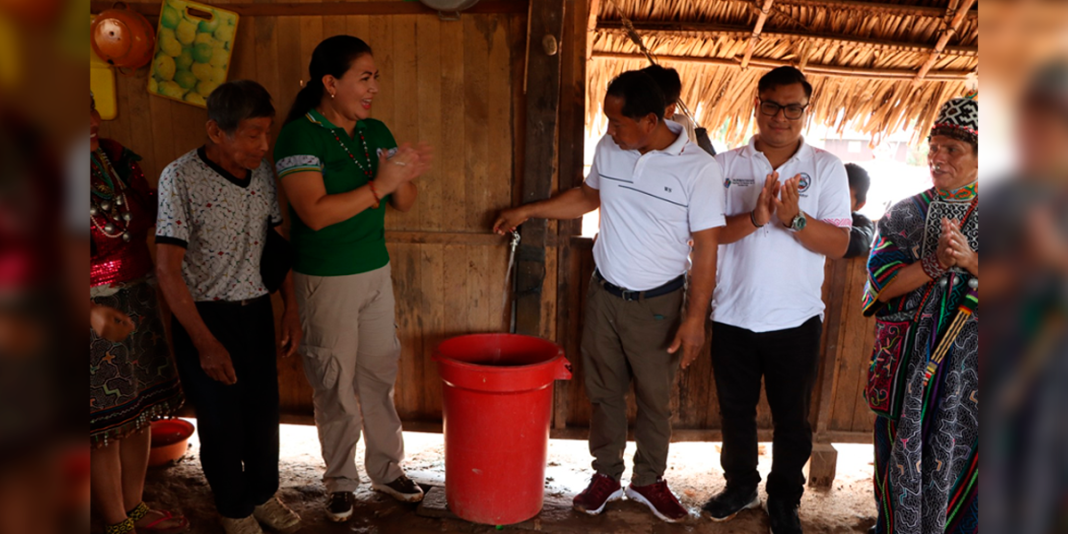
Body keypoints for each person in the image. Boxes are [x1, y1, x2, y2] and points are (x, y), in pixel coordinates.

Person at [495, 70, 726, 523]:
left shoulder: (699, 169)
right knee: (604, 393)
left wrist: (694, 319)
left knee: (656, 398)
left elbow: (707, 249)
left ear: (651, 120)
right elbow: (587, 196)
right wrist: (529, 211)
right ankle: (607, 474)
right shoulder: (610, 147)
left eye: (619, 122)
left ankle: (648, 480)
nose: (609, 129)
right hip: (604, 295)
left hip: (658, 306)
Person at [272, 35, 433, 522]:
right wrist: (379, 184)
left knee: (379, 377)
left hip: (374, 272)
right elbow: (314, 214)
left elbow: (403, 202)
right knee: (334, 384)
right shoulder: (300, 135)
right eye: (365, 77)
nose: (374, 88)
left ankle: (387, 470)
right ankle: (341, 481)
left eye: (375, 77)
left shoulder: (373, 129)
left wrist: (402, 174)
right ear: (330, 83)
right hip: (325, 278)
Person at [701, 66, 851, 534]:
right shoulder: (724, 165)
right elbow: (706, 236)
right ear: (757, 104)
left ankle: (784, 497)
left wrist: (797, 220)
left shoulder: (826, 168)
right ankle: (741, 485)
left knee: (792, 418)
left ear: (805, 110)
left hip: (796, 319)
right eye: (771, 105)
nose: (780, 117)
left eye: (792, 108)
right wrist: (757, 216)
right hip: (732, 314)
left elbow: (841, 244)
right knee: (735, 412)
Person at [155, 81, 302, 534]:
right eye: (253, 134)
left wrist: (290, 307)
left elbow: (277, 246)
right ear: (216, 132)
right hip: (206, 317)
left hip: (255, 310)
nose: (264, 145)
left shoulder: (261, 173)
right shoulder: (179, 178)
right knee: (220, 421)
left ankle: (262, 494)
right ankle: (233, 509)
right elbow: (167, 269)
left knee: (262, 412)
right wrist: (204, 342)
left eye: (268, 133)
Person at [862, 96, 979, 534]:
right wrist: (933, 264)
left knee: (973, 465)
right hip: (906, 369)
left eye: (953, 149)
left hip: (973, 376)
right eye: (935, 146)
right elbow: (881, 285)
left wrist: (970, 261)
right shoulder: (903, 214)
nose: (938, 157)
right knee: (897, 462)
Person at [89, 93, 188, 534]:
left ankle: (134, 507)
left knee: (139, 411)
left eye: (90, 107)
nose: (91, 120)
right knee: (104, 423)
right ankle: (115, 522)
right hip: (90, 309)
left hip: (138, 297)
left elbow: (148, 214)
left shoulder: (113, 158)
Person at [843, 162, 875, 259]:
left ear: (859, 205)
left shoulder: (862, 223)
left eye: (843, 198)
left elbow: (859, 243)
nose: (833, 201)